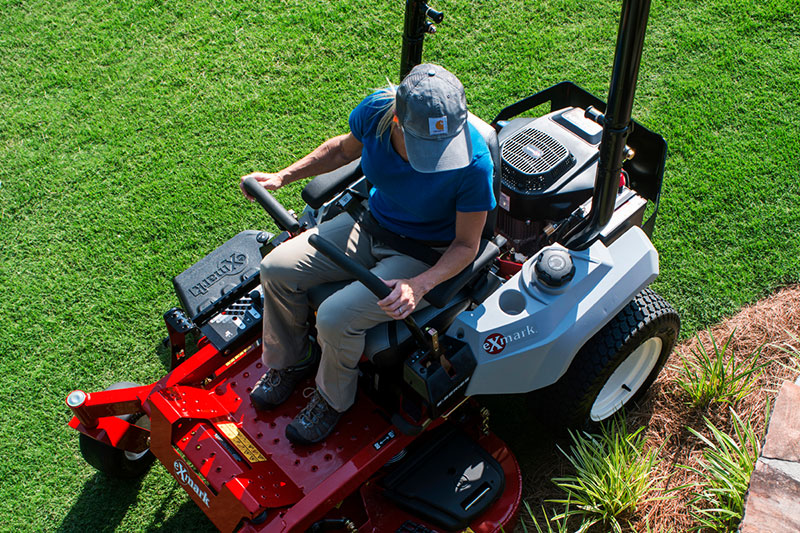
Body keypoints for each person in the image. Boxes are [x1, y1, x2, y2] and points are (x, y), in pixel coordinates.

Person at [240, 63, 495, 445]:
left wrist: (419, 285)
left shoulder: (473, 165)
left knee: (335, 317)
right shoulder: (378, 111)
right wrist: (282, 176)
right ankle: (292, 361)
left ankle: (331, 400)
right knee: (276, 268)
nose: (439, 156)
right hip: (371, 222)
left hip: (421, 254)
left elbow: (466, 246)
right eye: (427, 147)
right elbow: (342, 150)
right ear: (397, 121)